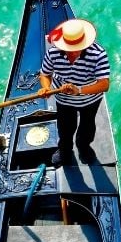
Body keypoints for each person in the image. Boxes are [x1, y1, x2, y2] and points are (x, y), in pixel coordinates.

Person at [37, 18, 110, 167]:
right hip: (63, 100)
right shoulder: (53, 53)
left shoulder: (98, 54)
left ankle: (84, 148)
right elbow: (45, 74)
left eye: (76, 47)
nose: (72, 52)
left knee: (87, 126)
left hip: (89, 100)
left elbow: (104, 85)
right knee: (65, 128)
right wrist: (46, 88)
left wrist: (79, 90)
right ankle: (65, 151)